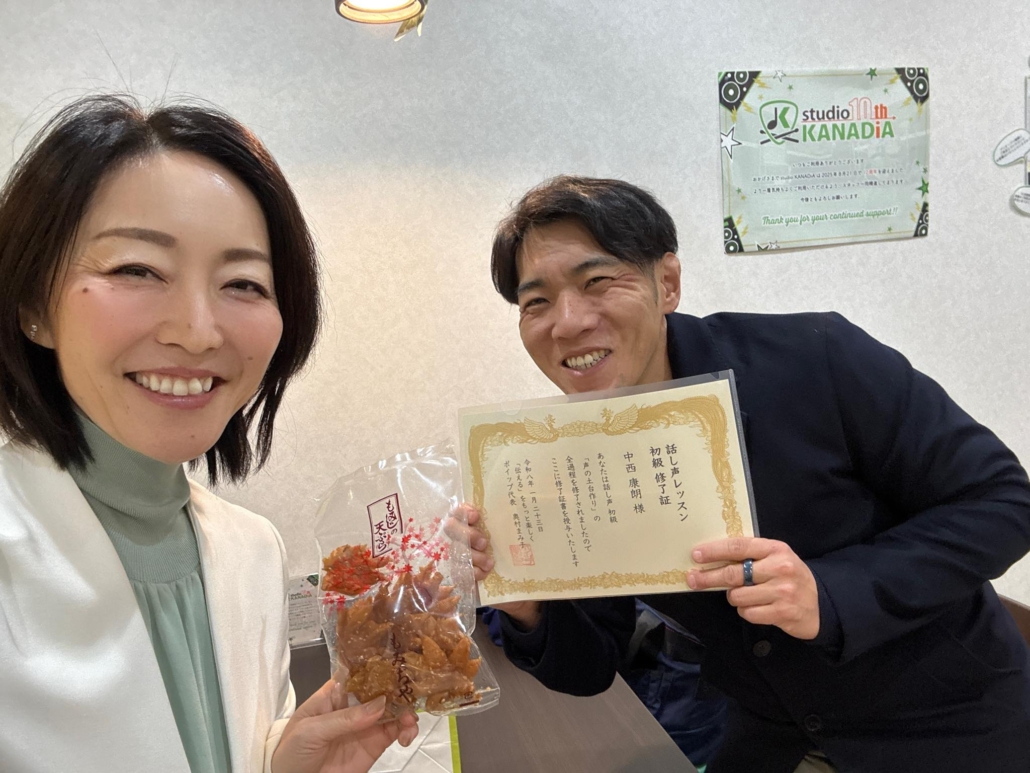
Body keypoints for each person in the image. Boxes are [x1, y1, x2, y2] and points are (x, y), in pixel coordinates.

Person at [465, 175, 1030, 773]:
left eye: (597, 281)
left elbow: (1002, 500)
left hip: (945, 723)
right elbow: (592, 666)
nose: (567, 322)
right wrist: (527, 605)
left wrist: (829, 592)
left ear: (667, 283)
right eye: (536, 302)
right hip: (775, 737)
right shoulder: (571, 449)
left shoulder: (815, 356)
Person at [0, 95, 417, 773]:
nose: (197, 331)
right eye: (136, 270)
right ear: (32, 305)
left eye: (243, 283)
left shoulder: (253, 552)